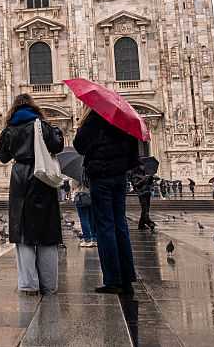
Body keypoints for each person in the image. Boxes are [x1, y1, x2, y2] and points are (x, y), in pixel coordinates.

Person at [0, 94, 65, 296]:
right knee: (47, 231)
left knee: (23, 232)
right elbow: (57, 146)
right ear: (33, 107)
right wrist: (56, 130)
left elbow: (2, 157)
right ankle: (49, 285)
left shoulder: (10, 129)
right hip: (42, 177)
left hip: (20, 179)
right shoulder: (42, 125)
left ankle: (28, 284)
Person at [74, 109, 139, 295]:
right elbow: (133, 148)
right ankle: (127, 276)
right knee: (120, 224)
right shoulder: (124, 118)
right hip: (119, 177)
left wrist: (82, 126)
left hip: (101, 177)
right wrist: (123, 166)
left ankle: (112, 279)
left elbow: (79, 146)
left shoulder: (94, 119)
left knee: (105, 226)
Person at [130, 167, 156, 233]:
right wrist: (144, 179)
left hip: (147, 193)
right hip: (142, 194)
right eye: (142, 165)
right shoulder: (135, 176)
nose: (144, 167)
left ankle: (141, 225)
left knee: (146, 209)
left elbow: (149, 185)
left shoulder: (145, 175)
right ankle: (149, 222)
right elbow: (136, 185)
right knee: (145, 210)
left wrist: (150, 179)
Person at [74, 181, 96, 248]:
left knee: (84, 219)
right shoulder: (90, 175)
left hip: (81, 197)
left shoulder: (78, 175)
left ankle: (87, 239)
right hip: (91, 196)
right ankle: (94, 238)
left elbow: (74, 185)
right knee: (92, 219)